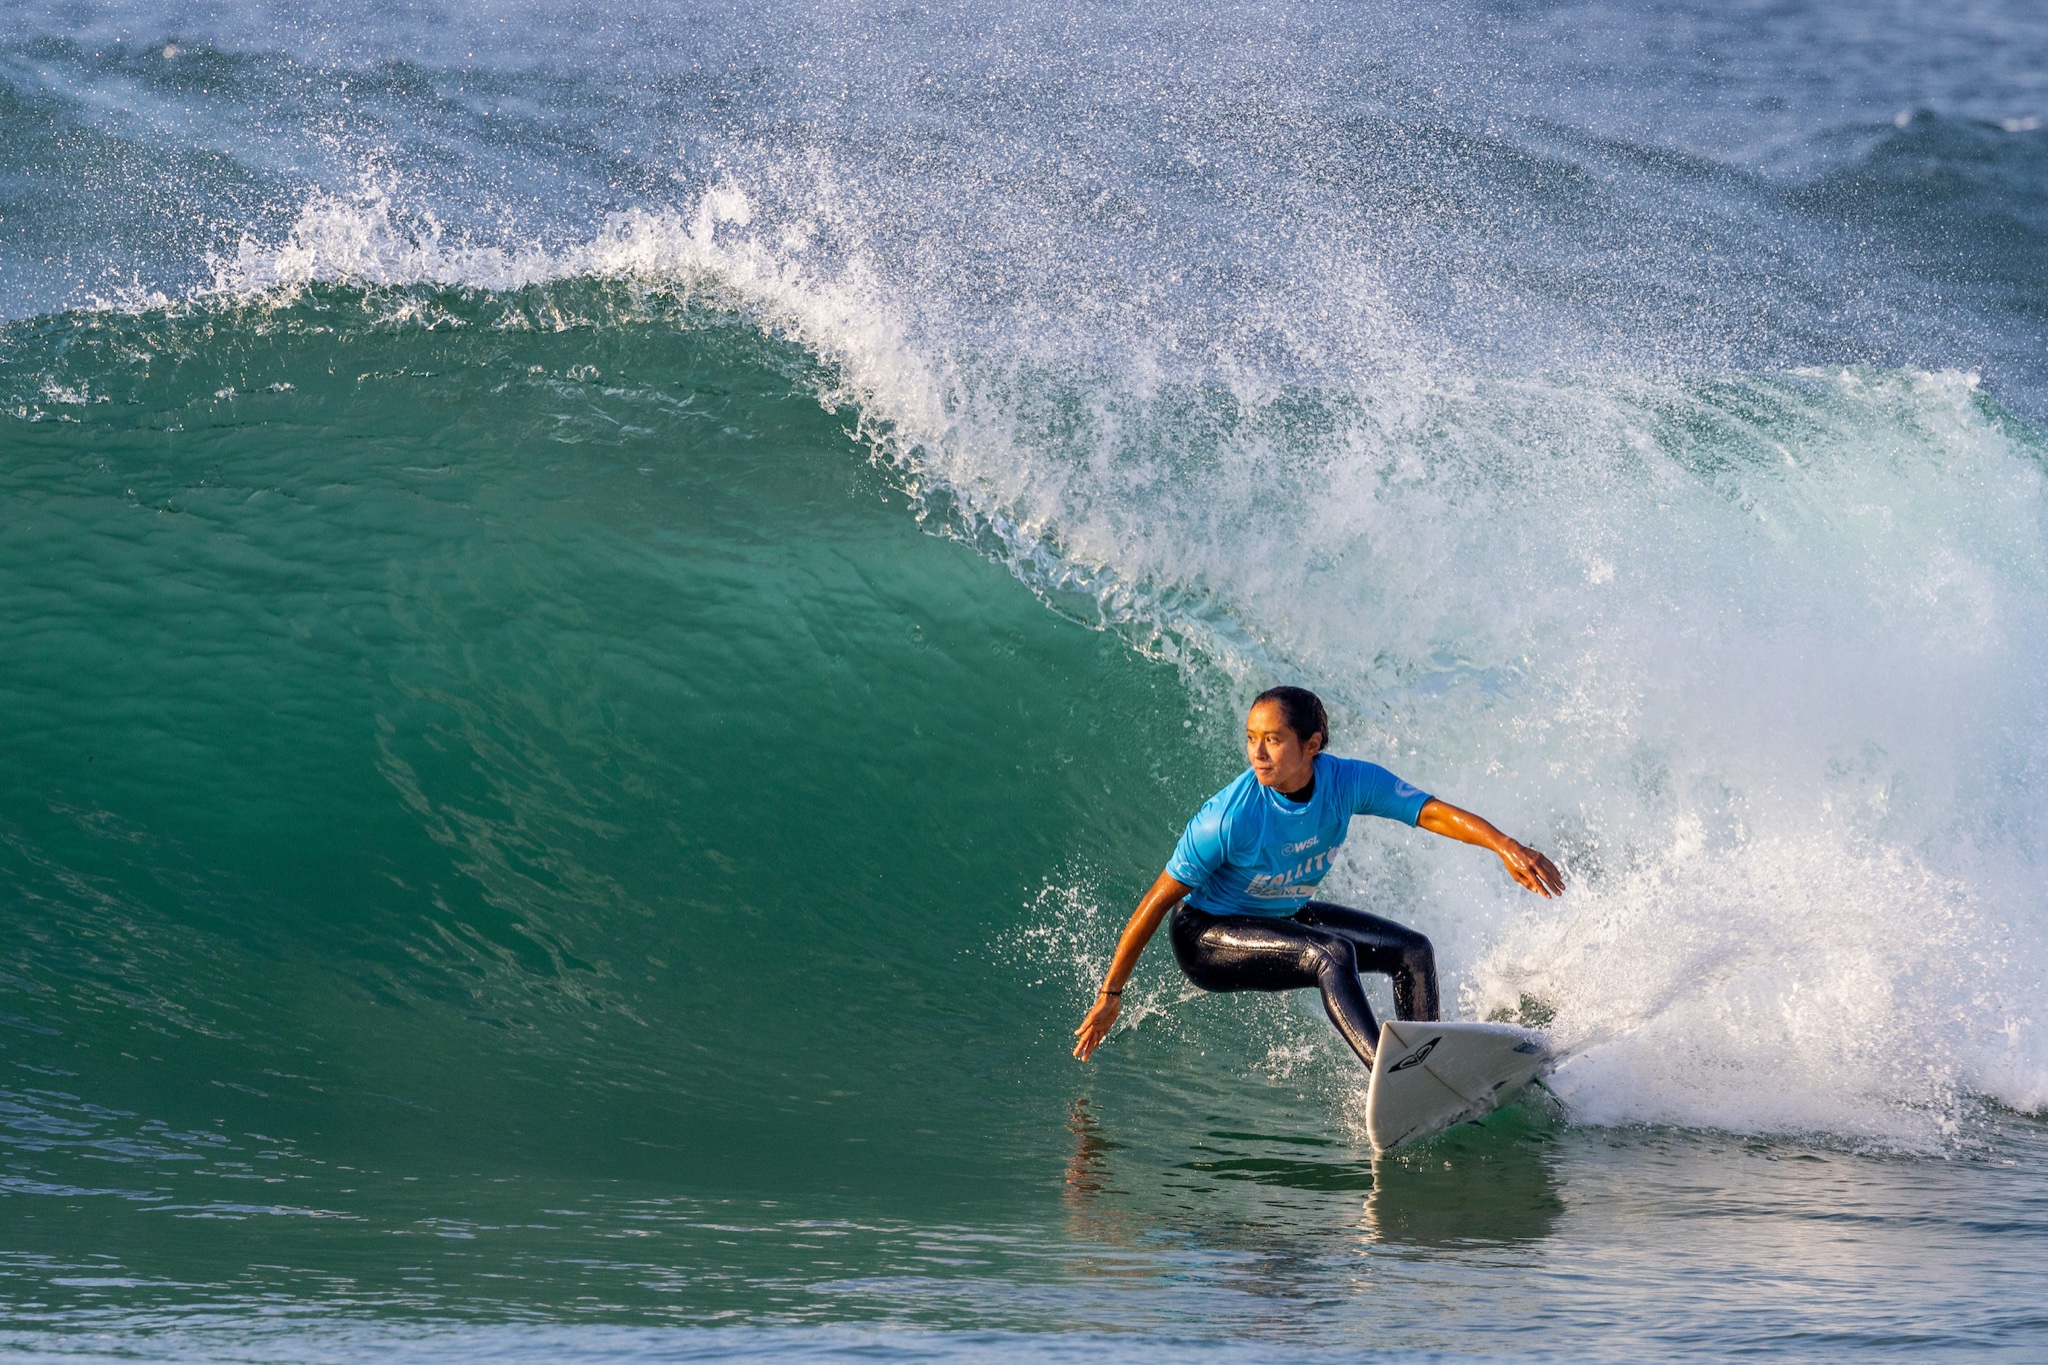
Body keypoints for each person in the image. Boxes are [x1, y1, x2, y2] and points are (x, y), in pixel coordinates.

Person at [1072, 686, 1564, 1069]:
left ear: (1312, 745)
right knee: (1331, 954)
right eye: (1251, 738)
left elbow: (1428, 812)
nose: (1257, 753)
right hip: (1206, 936)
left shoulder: (1345, 782)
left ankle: (1427, 1069)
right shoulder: (1228, 818)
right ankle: (1389, 1077)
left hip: (1277, 912)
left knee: (1413, 953)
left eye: (1273, 739)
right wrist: (1111, 994)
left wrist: (1506, 846)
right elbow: (1155, 903)